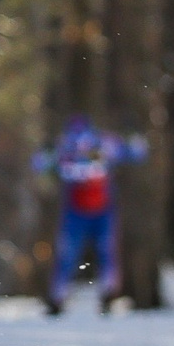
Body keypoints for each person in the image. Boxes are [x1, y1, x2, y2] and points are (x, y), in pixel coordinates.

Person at [34, 115, 145, 314]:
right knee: (68, 255)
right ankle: (57, 298)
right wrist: (46, 152)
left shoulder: (105, 144)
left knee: (106, 252)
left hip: (103, 211)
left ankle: (109, 295)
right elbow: (39, 164)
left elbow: (136, 154)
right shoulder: (64, 148)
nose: (82, 146)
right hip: (75, 212)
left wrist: (133, 139)